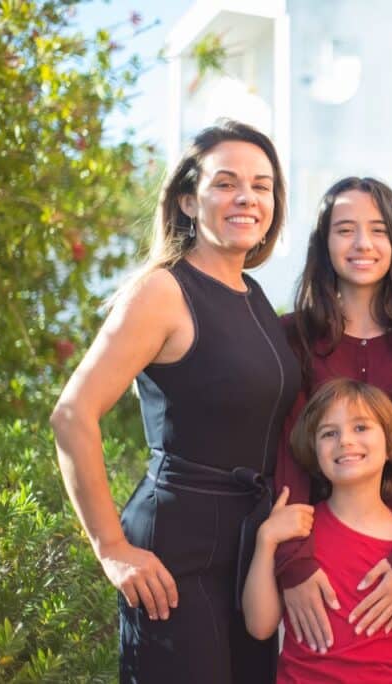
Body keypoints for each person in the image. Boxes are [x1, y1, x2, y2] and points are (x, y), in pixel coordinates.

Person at [51, 119, 301, 682]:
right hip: (175, 551)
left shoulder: (254, 294)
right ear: (189, 200)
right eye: (226, 183)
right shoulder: (163, 290)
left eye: (262, 186)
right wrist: (111, 546)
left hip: (250, 547)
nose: (247, 198)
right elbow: (72, 415)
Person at [272, 178, 392, 680]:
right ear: (323, 244)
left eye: (377, 230)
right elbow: (288, 456)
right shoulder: (295, 337)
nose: (361, 245)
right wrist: (293, 564)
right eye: (344, 230)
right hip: (318, 566)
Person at [244, 378, 392, 682]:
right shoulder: (298, 535)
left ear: (391, 446)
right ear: (314, 451)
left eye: (361, 428)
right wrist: (266, 540)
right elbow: (260, 625)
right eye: (329, 433)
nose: (345, 441)